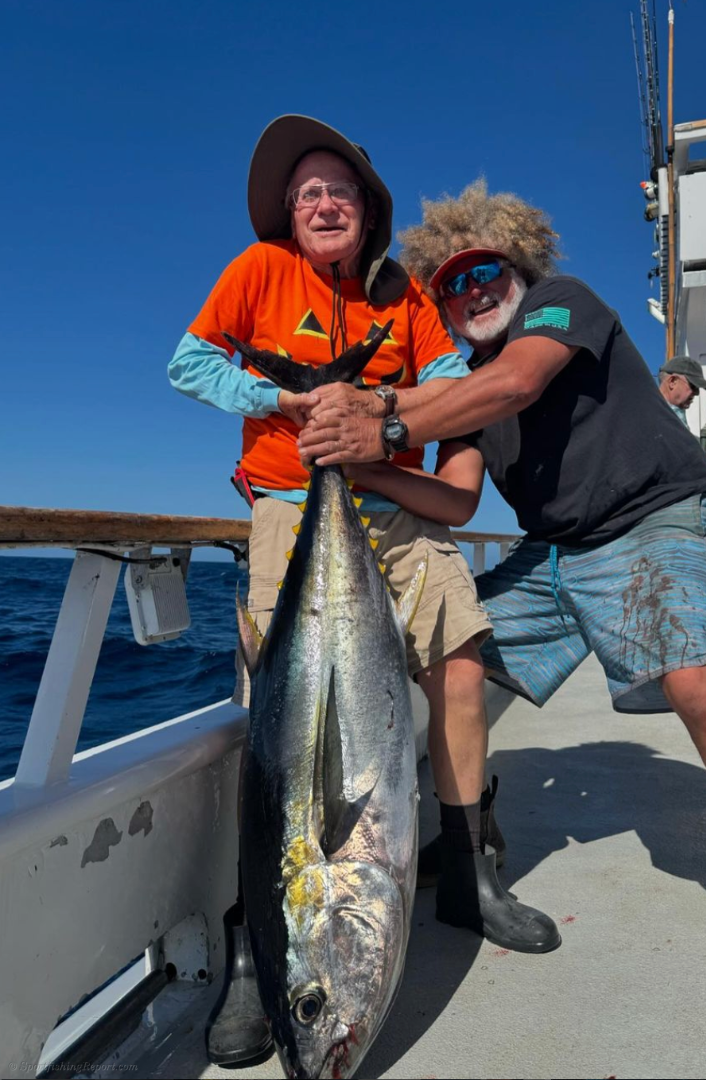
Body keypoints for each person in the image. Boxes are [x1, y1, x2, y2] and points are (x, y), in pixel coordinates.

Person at [297, 178, 706, 1076]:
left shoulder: (562, 308)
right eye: (450, 286)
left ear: (515, 267)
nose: (471, 292)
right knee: (452, 656)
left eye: (483, 273)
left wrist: (384, 417)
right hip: (555, 552)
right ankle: (474, 838)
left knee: (692, 685)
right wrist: (361, 474)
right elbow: (459, 494)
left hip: (654, 520)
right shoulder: (463, 388)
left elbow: (521, 381)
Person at [168, 125, 559, 1067]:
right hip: (292, 507)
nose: (324, 205)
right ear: (289, 215)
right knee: (283, 723)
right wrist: (286, 404)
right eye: (307, 195)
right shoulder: (257, 272)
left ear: (367, 208)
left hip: (388, 501)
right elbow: (188, 364)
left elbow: (456, 382)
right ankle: (264, 959)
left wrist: (380, 425)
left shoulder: (409, 297)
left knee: (461, 672)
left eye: (339, 190)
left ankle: (467, 873)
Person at [658, 355, 706, 473]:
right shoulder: (653, 417)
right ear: (672, 382)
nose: (696, 393)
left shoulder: (670, 415)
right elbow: (661, 467)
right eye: (693, 386)